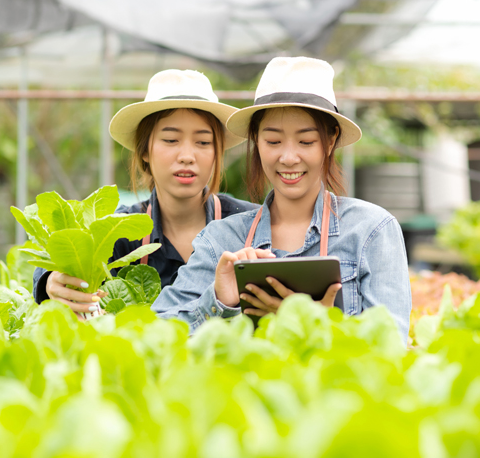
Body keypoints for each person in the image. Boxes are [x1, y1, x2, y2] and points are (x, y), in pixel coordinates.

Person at [151, 57, 412, 343]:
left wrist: (321, 327)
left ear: (330, 141)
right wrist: (219, 302)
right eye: (273, 141)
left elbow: (391, 349)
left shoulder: (370, 231)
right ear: (256, 140)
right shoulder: (222, 240)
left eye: (306, 142)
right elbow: (159, 333)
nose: (288, 158)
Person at [32, 69, 258, 316]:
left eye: (203, 142)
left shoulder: (250, 223)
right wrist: (50, 281)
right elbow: (60, 252)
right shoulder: (120, 230)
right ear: (145, 151)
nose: (186, 156)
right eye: (171, 140)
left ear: (217, 151)